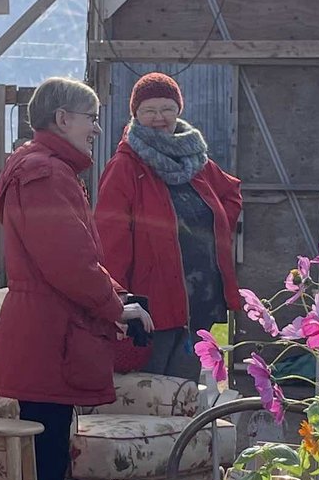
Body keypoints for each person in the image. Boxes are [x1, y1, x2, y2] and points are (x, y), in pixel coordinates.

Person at [0, 76, 152, 480]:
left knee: (42, 458)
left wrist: (117, 300)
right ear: (63, 119)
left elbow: (75, 257)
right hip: (48, 339)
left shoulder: (43, 170)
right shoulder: (45, 173)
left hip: (45, 333)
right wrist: (113, 307)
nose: (97, 129)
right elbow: (68, 261)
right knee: (45, 460)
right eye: (91, 117)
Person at [96, 70, 243, 378]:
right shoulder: (125, 166)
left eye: (167, 108)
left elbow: (230, 194)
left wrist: (213, 232)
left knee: (186, 388)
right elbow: (110, 236)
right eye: (149, 110)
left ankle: (184, 428)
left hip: (199, 297)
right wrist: (117, 295)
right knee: (151, 384)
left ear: (179, 110)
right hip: (153, 300)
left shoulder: (195, 158)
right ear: (136, 114)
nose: (159, 117)